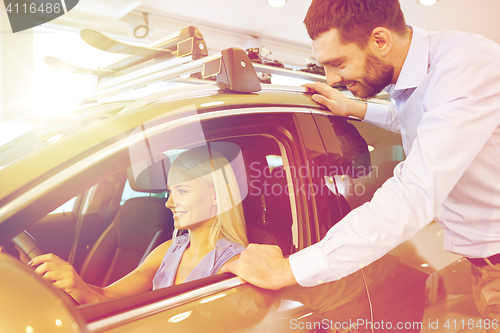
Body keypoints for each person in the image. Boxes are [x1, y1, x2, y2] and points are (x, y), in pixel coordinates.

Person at [221, 0, 500, 324]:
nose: (332, 78)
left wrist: (289, 268)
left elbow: (414, 193)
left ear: (380, 41)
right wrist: (356, 108)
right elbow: (414, 117)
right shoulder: (419, 74)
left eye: (337, 63)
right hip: (483, 263)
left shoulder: (465, 68)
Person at [29, 146, 248, 304]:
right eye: (170, 192)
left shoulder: (234, 266)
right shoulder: (169, 250)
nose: (169, 202)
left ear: (216, 196)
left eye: (182, 191)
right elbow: (108, 297)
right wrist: (70, 283)